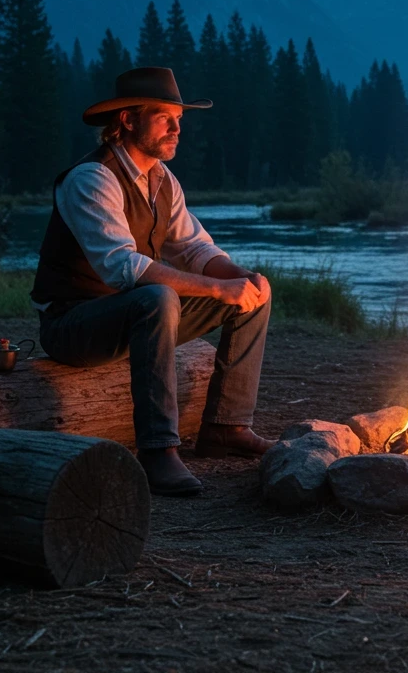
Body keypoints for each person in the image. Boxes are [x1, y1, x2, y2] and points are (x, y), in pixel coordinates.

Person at [31, 66, 275, 497]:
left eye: (179, 119)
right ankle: (158, 451)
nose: (177, 127)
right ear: (128, 120)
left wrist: (240, 279)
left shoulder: (163, 180)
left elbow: (196, 249)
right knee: (159, 296)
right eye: (165, 117)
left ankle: (226, 425)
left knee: (252, 292)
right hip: (73, 325)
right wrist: (217, 288)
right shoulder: (92, 178)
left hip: (132, 318)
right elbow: (121, 268)